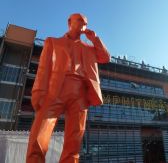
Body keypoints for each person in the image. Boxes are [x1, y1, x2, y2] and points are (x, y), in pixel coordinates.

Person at [26, 13, 110, 163]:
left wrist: (95, 39)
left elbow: (105, 57)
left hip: (80, 93)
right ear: (69, 22)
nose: (83, 25)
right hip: (55, 90)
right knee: (39, 133)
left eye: (85, 23)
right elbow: (44, 68)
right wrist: (39, 90)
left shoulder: (89, 48)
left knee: (74, 140)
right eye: (80, 21)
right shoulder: (53, 42)